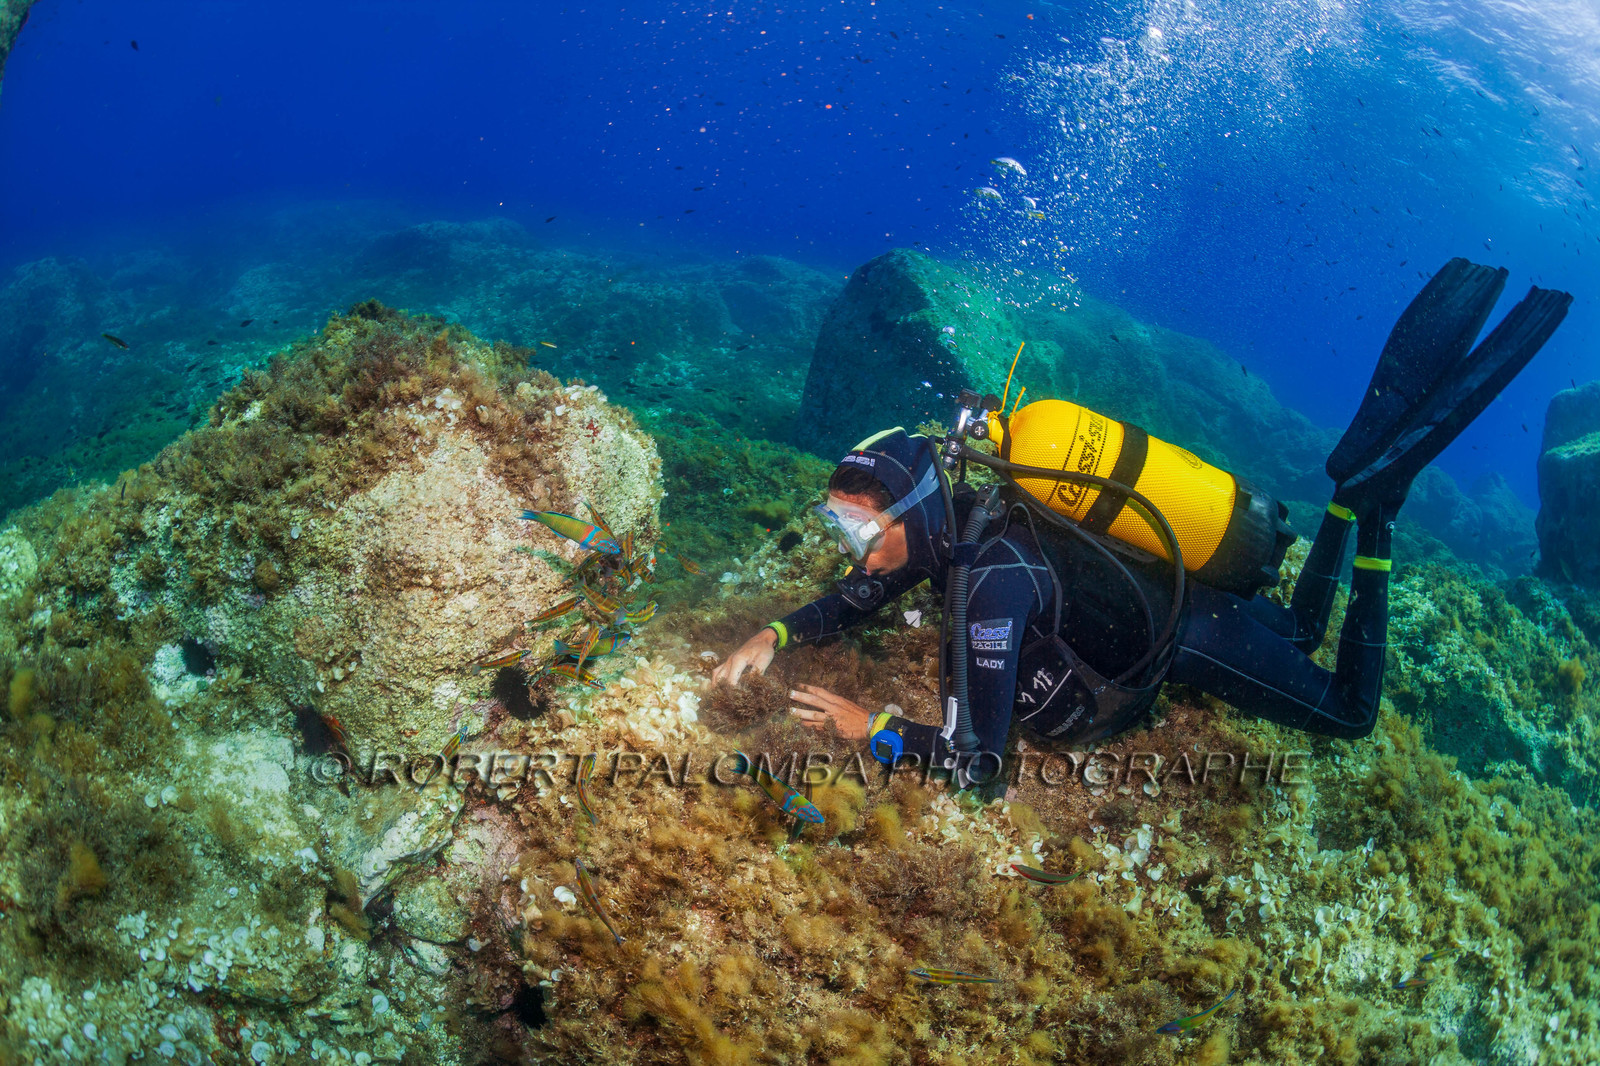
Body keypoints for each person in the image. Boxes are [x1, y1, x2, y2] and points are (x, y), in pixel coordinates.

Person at [712, 260, 1571, 796]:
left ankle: (1373, 516)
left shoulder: (987, 582)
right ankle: (1343, 499)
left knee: (1347, 714)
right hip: (1169, 583)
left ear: (911, 510)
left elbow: (981, 770)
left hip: (1184, 638)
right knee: (1303, 628)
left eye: (859, 533)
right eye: (842, 530)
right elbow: (863, 595)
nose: (855, 554)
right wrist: (775, 631)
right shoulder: (960, 517)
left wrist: (876, 728)